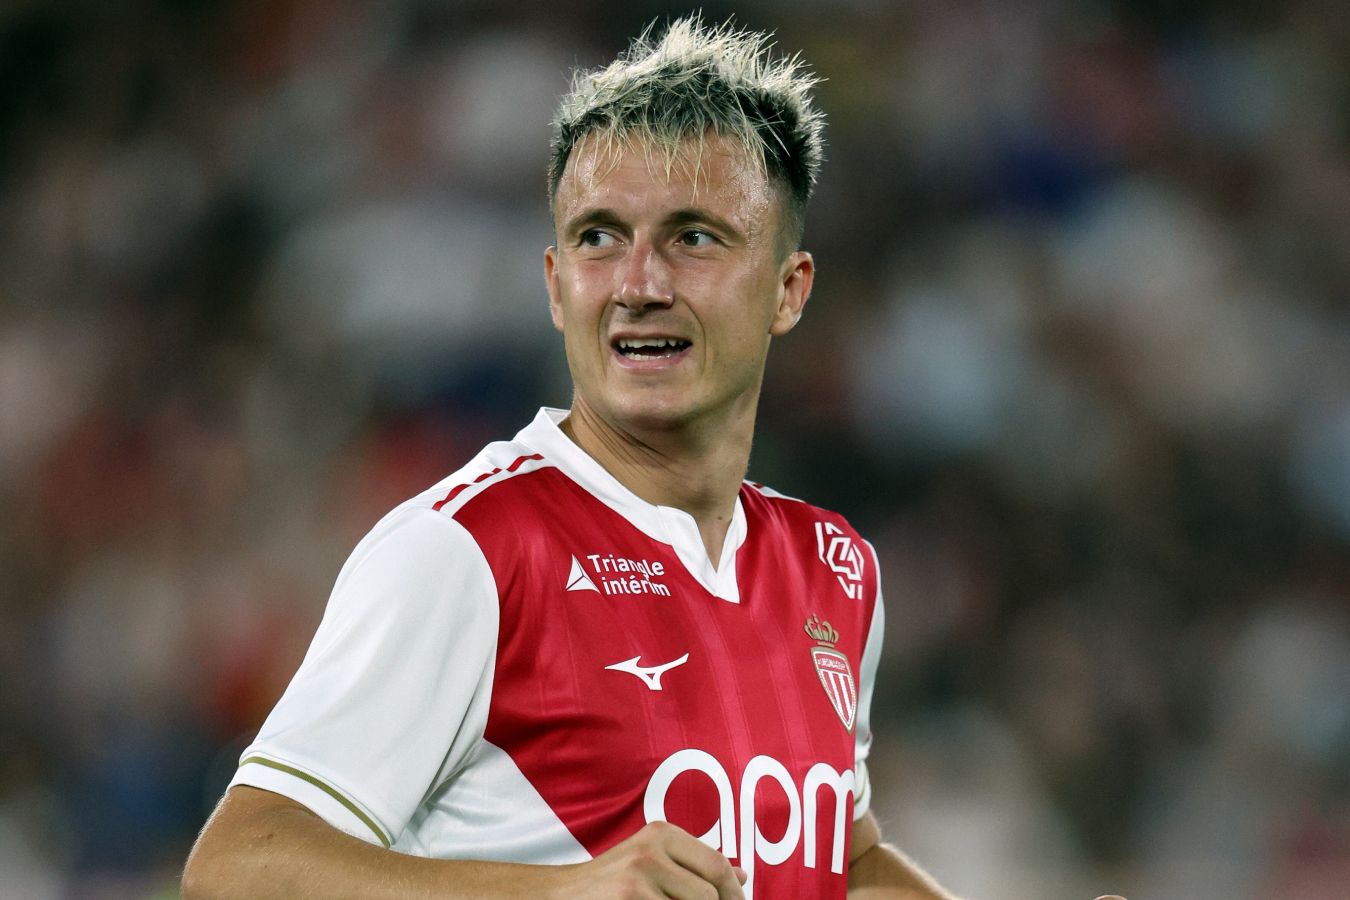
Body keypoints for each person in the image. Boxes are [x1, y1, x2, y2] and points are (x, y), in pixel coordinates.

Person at [183, 17, 959, 900]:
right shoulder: (470, 549)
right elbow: (236, 868)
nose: (639, 284)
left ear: (790, 289)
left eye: (693, 237)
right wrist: (557, 892)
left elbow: (836, 859)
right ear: (556, 286)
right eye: (599, 237)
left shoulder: (833, 567)